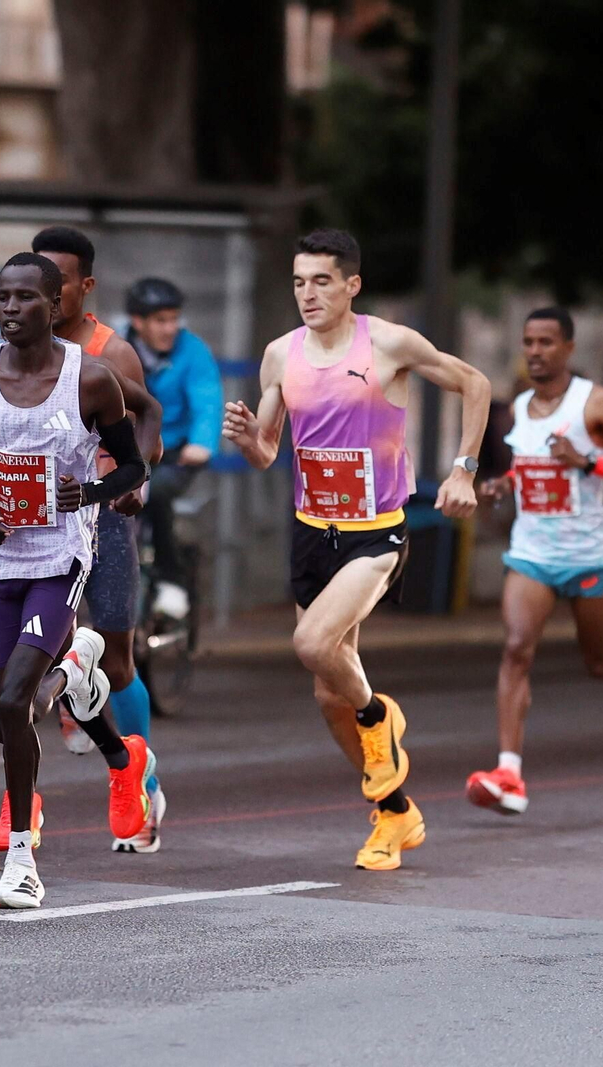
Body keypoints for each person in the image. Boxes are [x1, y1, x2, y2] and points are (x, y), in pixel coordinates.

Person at [221, 228, 490, 872]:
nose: (306, 294)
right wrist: (245, 440)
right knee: (324, 695)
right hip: (313, 531)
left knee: (313, 646)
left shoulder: (389, 343)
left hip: (376, 532)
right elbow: (266, 452)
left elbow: (475, 383)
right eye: (297, 282)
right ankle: (396, 813)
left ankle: (380, 718)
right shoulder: (279, 356)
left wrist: (463, 470)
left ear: (351, 285)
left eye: (320, 281)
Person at [0, 252, 153, 909]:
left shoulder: (89, 380)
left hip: (62, 559)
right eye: (2, 296)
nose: (10, 308)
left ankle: (23, 862)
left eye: (25, 297)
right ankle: (108, 729)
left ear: (55, 302)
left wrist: (85, 490)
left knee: (15, 700)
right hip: (1, 564)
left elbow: (134, 465)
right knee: (5, 719)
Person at [465, 308, 603, 816]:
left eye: (546, 342)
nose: (535, 351)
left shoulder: (596, 404)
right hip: (533, 554)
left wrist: (590, 461)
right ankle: (509, 773)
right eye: (528, 342)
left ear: (568, 348)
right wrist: (501, 484)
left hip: (590, 555)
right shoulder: (519, 409)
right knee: (515, 650)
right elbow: (528, 467)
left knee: (598, 662)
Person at [25, 225, 168, 853]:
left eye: (61, 284)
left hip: (102, 514)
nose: (50, 297)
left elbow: (145, 439)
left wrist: (131, 483)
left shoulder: (115, 354)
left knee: (116, 657)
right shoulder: (13, 347)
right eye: (40, 283)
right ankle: (23, 808)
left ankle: (144, 783)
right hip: (36, 521)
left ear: (86, 285)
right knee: (30, 651)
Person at [125, 277, 223, 619]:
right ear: (138, 322)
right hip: (128, 452)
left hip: (176, 454)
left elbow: (207, 400)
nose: (170, 328)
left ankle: (172, 580)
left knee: (158, 494)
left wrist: (201, 443)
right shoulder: (118, 349)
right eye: (160, 320)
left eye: (174, 319)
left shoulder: (193, 351)